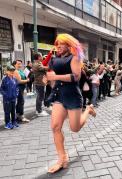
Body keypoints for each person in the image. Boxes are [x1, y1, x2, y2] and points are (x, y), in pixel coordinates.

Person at [43, 34, 96, 173]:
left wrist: (55, 76)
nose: (58, 46)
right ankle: (62, 158)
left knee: (75, 128)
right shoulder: (54, 60)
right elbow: (52, 75)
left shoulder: (74, 58)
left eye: (61, 43)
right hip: (59, 95)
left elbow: (75, 77)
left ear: (69, 45)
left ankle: (88, 110)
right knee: (55, 127)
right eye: (57, 44)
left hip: (72, 96)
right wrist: (48, 80)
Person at [0, 65, 19, 129]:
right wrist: (5, 95)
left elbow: (17, 87)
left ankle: (13, 121)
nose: (12, 73)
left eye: (13, 71)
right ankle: (7, 123)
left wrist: (16, 93)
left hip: (13, 98)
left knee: (13, 111)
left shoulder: (14, 79)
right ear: (7, 71)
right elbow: (1, 89)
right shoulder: (4, 79)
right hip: (7, 99)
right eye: (10, 71)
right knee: (7, 112)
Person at [32, 52, 49, 117]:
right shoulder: (37, 64)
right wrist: (50, 66)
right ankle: (39, 111)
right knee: (40, 97)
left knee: (40, 97)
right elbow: (44, 68)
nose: (42, 57)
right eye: (41, 56)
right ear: (39, 57)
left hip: (40, 82)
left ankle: (39, 110)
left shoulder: (38, 63)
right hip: (40, 83)